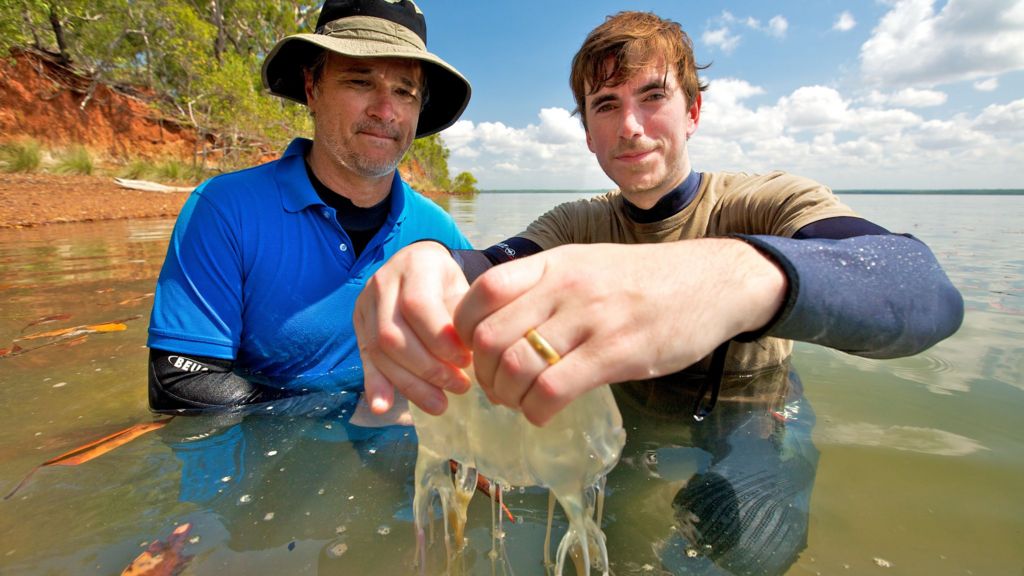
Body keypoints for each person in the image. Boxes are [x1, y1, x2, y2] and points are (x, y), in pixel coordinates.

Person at [353, 11, 964, 426]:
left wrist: (731, 276)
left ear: (693, 110)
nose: (632, 127)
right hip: (625, 423)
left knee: (743, 550)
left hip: (749, 420)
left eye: (654, 96)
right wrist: (429, 261)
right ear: (588, 134)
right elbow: (486, 266)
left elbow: (920, 287)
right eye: (607, 106)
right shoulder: (573, 226)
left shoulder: (769, 202)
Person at [146, 0, 472, 413]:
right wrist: (345, 413)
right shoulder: (225, 210)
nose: (385, 110)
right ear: (311, 88)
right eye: (359, 81)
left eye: (404, 92)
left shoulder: (439, 232)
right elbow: (180, 382)